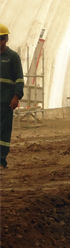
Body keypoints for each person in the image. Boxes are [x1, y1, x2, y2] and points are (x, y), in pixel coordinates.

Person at [0, 24, 24, 168]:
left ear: (6, 39)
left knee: (3, 131)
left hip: (5, 101)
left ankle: (1, 159)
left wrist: (16, 96)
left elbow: (19, 78)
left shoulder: (12, 57)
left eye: (1, 39)